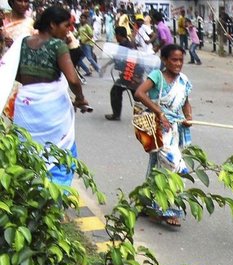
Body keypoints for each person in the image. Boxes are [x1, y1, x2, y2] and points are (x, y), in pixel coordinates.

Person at [3, 6, 89, 186]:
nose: (68, 30)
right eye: (66, 26)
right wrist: (80, 98)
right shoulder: (57, 46)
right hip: (52, 111)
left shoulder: (24, 42)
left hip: (26, 107)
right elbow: (73, 80)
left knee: (27, 150)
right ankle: (54, 197)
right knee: (60, 153)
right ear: (52, 25)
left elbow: (15, 74)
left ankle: (29, 194)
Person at [133, 43, 192, 227]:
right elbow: (139, 93)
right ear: (165, 60)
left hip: (174, 129)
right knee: (175, 165)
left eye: (181, 60)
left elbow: (185, 102)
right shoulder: (157, 76)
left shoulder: (183, 80)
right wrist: (159, 113)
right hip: (157, 128)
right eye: (174, 59)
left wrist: (188, 117)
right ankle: (166, 208)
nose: (178, 63)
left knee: (158, 166)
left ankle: (148, 204)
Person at [104, 26, 143, 121]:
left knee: (116, 91)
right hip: (131, 73)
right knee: (137, 95)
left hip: (130, 74)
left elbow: (129, 60)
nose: (115, 36)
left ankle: (116, 115)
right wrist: (106, 65)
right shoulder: (126, 44)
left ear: (119, 35)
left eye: (115, 34)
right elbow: (117, 58)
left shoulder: (125, 46)